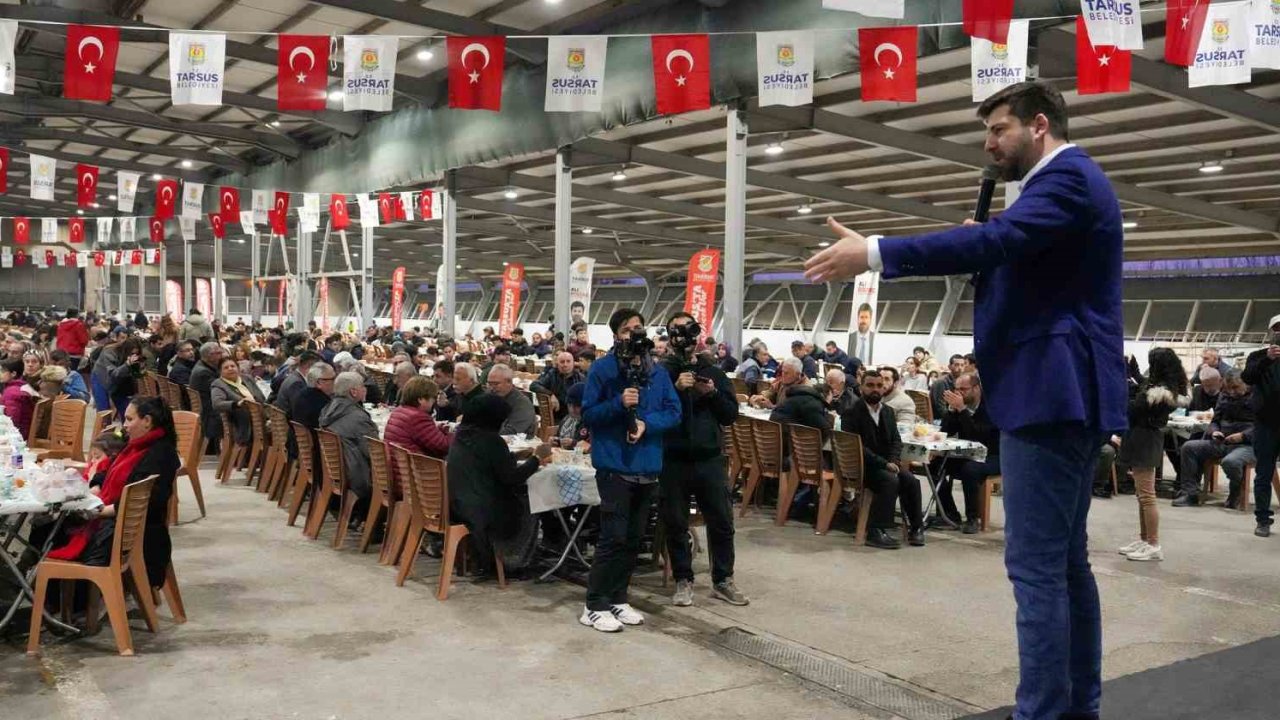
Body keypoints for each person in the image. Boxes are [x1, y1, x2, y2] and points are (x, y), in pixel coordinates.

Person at [805, 82, 1128, 720]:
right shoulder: (1061, 187)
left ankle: (1042, 712)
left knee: (1037, 570)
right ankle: (1075, 708)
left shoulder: (1065, 180)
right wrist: (990, 248)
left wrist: (874, 252)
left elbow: (999, 248)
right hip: (1058, 391)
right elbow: (1022, 265)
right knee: (1064, 567)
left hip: (1051, 393)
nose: (989, 144)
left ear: (1039, 125)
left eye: (999, 130)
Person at [579, 308, 681, 633]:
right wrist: (618, 404)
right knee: (613, 537)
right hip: (615, 467)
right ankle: (594, 604)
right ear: (616, 335)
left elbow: (673, 411)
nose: (634, 333)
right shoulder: (603, 370)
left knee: (635, 539)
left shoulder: (658, 373)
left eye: (638, 327)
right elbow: (589, 414)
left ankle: (618, 598)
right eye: (627, 329)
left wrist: (645, 424)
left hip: (647, 466)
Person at [50, 397, 181, 592]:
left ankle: (52, 600)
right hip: (116, 523)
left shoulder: (160, 454)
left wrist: (101, 510)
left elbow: (147, 500)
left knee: (52, 527)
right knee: (52, 520)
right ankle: (46, 596)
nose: (124, 426)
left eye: (129, 419)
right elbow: (110, 469)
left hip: (135, 536)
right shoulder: (135, 444)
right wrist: (95, 487)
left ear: (147, 421)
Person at [659, 312, 745, 608]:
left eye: (689, 330)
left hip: (709, 458)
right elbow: (651, 411)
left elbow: (730, 415)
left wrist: (710, 394)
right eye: (677, 331)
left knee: (721, 521)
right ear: (670, 336)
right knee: (675, 522)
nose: (684, 337)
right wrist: (676, 390)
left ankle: (723, 579)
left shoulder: (715, 372)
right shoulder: (661, 372)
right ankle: (683, 578)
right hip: (673, 459)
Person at [447, 393, 549, 574]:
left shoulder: (462, 435)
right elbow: (512, 477)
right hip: (483, 511)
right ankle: (514, 559)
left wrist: (517, 456)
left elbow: (490, 463)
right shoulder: (491, 440)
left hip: (457, 503)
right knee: (532, 499)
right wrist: (536, 459)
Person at [1117, 348, 1187, 562]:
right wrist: (1135, 374)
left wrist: (1121, 382)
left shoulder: (1159, 394)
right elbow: (1144, 388)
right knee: (1141, 495)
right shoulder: (1166, 388)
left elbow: (1133, 407)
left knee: (1147, 496)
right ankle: (1145, 539)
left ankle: (1154, 544)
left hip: (1145, 440)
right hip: (1141, 438)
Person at [839, 371, 919, 549]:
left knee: (911, 480)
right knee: (890, 480)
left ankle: (916, 529)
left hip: (886, 464)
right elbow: (857, 446)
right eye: (870, 385)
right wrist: (884, 464)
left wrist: (893, 460)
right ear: (861, 388)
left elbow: (896, 441)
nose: (875, 389)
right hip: (862, 467)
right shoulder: (850, 413)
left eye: (879, 386)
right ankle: (876, 531)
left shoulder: (889, 412)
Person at [932, 373, 1002, 534]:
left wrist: (962, 410)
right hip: (968, 453)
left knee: (970, 469)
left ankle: (973, 518)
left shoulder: (991, 407)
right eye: (956, 389)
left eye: (963, 389)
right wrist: (951, 411)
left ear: (976, 388)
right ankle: (949, 513)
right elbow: (946, 432)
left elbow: (978, 436)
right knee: (934, 463)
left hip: (993, 456)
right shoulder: (960, 405)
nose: (959, 393)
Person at [1175, 370, 1255, 507]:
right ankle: (1190, 494)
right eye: (1228, 389)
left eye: (1235, 388)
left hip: (1248, 445)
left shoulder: (1260, 396)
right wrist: (1214, 432)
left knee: (1230, 462)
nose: (1232, 392)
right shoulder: (1224, 395)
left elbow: (1267, 427)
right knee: (1189, 448)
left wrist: (1243, 436)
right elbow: (1215, 420)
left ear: (1246, 383)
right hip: (1222, 441)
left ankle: (1235, 491)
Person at [1243, 315, 1280, 537]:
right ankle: (1263, 520)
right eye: (1277, 329)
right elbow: (1248, 377)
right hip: (1265, 424)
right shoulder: (1257, 357)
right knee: (1263, 473)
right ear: (1270, 333)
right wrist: (1267, 358)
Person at [318, 371, 378, 504]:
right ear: (354, 392)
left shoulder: (327, 409)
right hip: (357, 475)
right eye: (363, 386)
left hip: (337, 470)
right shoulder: (358, 418)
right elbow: (373, 452)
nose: (365, 389)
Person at [210, 357, 266, 450]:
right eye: (226, 367)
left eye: (233, 366)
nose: (230, 369)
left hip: (261, 413)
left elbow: (261, 397)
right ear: (220, 371)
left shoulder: (247, 378)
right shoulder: (218, 384)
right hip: (241, 419)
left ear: (238, 368)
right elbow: (217, 404)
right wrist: (236, 404)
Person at [91, 337, 145, 419]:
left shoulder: (133, 358)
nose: (133, 356)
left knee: (126, 410)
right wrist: (127, 364)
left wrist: (140, 369)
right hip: (101, 377)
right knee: (104, 411)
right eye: (131, 353)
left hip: (120, 381)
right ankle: (104, 429)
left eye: (136, 354)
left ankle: (126, 430)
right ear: (125, 350)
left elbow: (136, 376)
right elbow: (113, 374)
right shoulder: (109, 352)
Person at [190, 342, 226, 455]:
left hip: (207, 406)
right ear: (209, 356)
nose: (222, 355)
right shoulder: (204, 373)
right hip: (210, 412)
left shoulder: (204, 367)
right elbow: (222, 391)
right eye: (219, 353)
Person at [485, 364, 539, 438]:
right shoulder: (490, 397)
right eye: (489, 384)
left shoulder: (522, 404)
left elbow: (511, 432)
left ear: (509, 383)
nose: (491, 388)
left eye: (496, 384)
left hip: (518, 446)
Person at [530, 351, 584, 424]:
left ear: (573, 363)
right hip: (556, 416)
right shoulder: (553, 374)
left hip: (576, 418)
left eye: (568, 361)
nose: (565, 365)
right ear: (557, 364)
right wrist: (550, 394)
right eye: (562, 362)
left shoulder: (580, 378)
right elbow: (534, 385)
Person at [0, 359, 37, 439]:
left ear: (13, 374)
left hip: (18, 435)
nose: (0, 374)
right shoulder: (22, 386)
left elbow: (12, 420)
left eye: (3, 372)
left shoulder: (12, 393)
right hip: (25, 431)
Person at [928, 354, 967, 422]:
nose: (960, 368)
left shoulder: (963, 381)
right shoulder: (941, 382)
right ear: (949, 367)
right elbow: (940, 408)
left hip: (956, 416)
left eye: (962, 365)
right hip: (940, 420)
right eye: (957, 365)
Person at [555, 383, 591, 450]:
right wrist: (555, 442)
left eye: (577, 406)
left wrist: (574, 443)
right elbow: (559, 439)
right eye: (569, 405)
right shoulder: (566, 420)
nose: (572, 410)